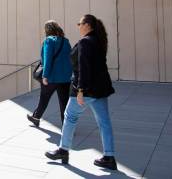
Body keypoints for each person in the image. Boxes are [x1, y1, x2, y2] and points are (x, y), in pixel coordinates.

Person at [44, 14, 117, 170]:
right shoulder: (98, 41)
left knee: (70, 117)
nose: (78, 26)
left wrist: (81, 90)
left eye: (80, 23)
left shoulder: (85, 42)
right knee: (104, 123)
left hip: (86, 89)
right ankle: (109, 157)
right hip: (100, 89)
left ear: (88, 25)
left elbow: (83, 67)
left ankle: (63, 150)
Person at [27, 20, 72, 127]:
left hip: (52, 77)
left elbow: (47, 60)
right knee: (64, 103)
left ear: (47, 30)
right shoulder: (66, 41)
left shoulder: (49, 41)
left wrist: (45, 76)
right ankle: (67, 127)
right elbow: (70, 58)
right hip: (65, 77)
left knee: (44, 98)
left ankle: (36, 117)